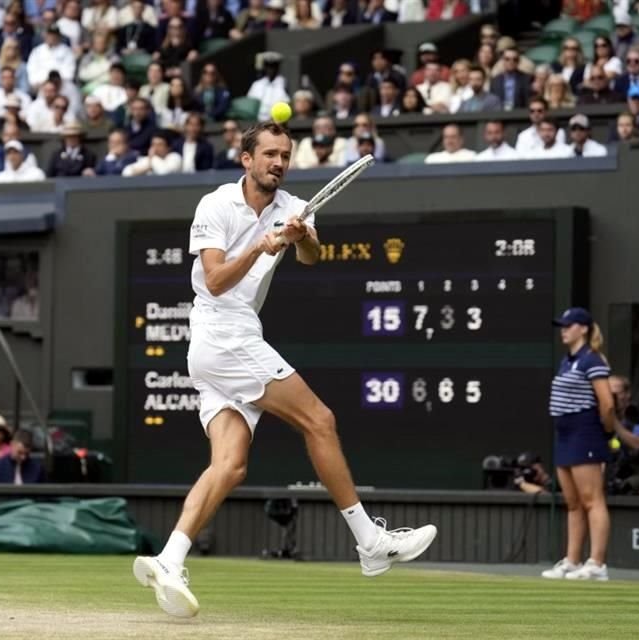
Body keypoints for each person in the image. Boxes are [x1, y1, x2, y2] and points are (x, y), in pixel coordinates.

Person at [132, 122, 437, 619]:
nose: (278, 162)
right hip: (222, 333)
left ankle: (169, 559)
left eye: (285, 155)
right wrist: (260, 245)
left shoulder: (294, 206)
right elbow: (213, 281)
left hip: (221, 345)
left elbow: (313, 258)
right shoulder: (214, 205)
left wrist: (298, 237)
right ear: (245, 159)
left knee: (229, 465)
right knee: (320, 420)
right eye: (269, 154)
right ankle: (369, 541)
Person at [543, 308, 615, 581]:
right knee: (572, 503)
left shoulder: (592, 360)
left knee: (592, 500)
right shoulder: (567, 361)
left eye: (569, 325)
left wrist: (606, 432)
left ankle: (597, 563)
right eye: (562, 325)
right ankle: (572, 561)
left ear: (583, 329)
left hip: (585, 433)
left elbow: (607, 403)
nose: (563, 329)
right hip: (565, 435)